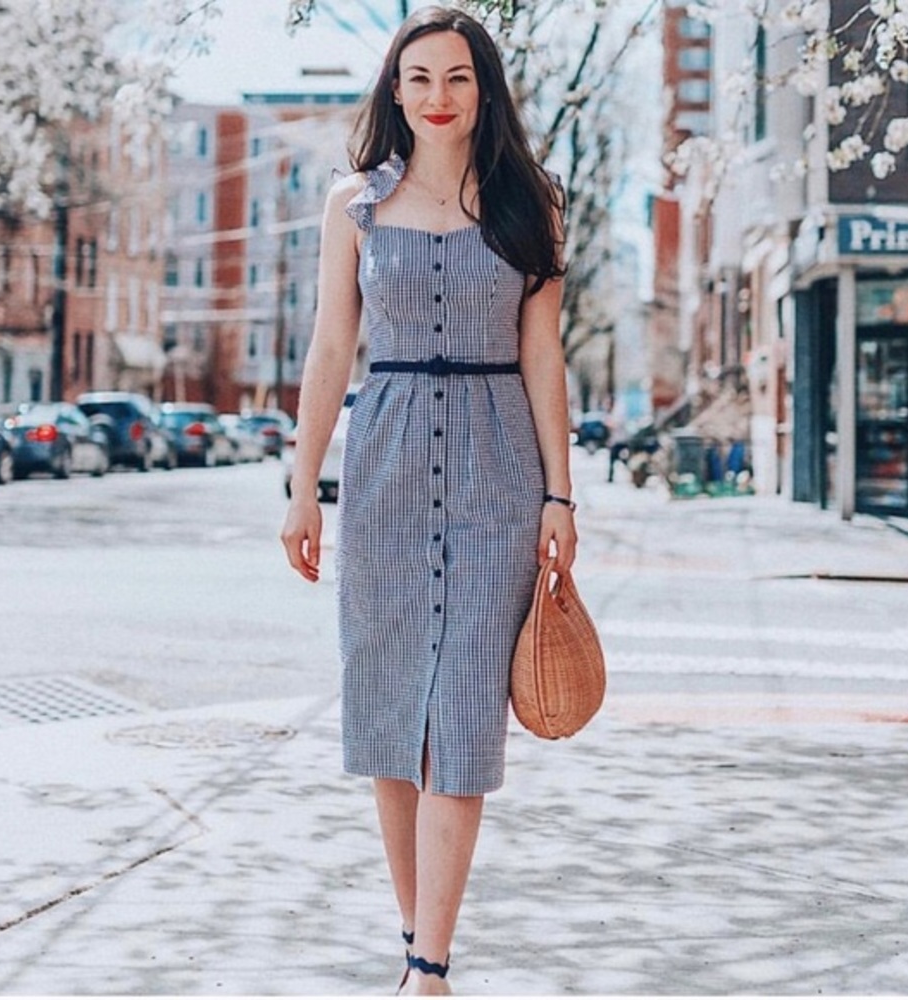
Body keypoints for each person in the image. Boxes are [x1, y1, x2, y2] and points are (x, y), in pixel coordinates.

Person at [280, 6, 576, 994]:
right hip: (386, 467)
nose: (436, 97)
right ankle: (418, 938)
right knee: (388, 711)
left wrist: (558, 496)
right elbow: (329, 352)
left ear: (481, 90)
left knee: (459, 720)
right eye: (417, 79)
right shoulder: (352, 205)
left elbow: (543, 356)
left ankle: (430, 965)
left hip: (497, 469)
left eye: (455, 78)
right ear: (394, 93)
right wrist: (302, 486)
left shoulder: (530, 202)